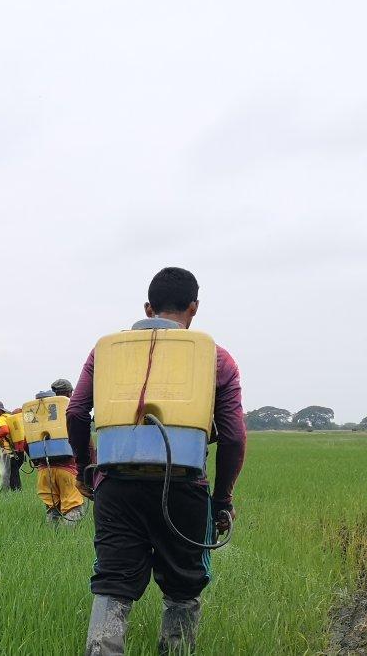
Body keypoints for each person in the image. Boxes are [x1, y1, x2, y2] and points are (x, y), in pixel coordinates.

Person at [68, 267, 246, 655]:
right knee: (184, 588)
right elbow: (232, 436)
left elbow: (77, 412)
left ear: (147, 307)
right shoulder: (216, 358)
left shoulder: (108, 350)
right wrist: (223, 500)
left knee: (113, 583)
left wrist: (87, 468)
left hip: (116, 486)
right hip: (185, 487)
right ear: (194, 309)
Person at [20, 386, 85, 525]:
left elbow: (26, 444)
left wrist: (37, 461)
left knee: (52, 507)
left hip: (44, 472)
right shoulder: (64, 417)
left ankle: (53, 534)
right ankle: (67, 538)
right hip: (67, 469)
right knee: (73, 506)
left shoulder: (34, 422)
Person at [0, 400, 24, 491]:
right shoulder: (9, 417)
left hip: (10, 451)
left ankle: (7, 494)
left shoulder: (0, 419)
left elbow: (5, 430)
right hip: (19, 451)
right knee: (15, 473)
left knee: (7, 474)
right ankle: (17, 493)